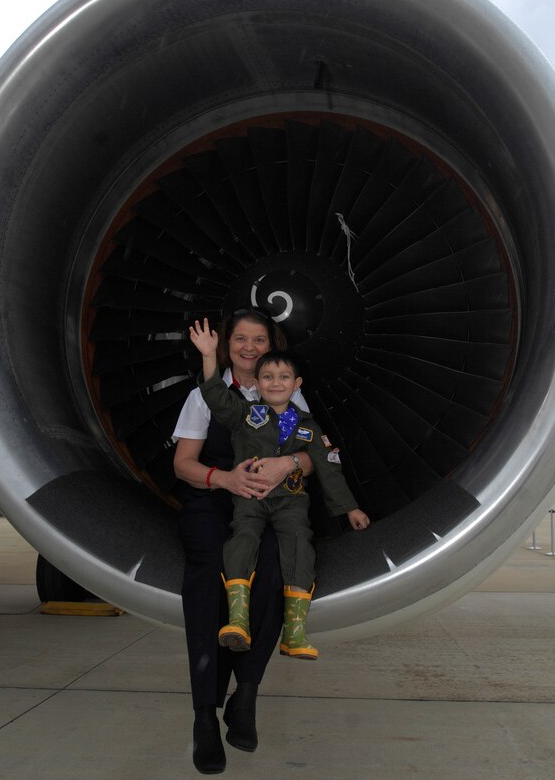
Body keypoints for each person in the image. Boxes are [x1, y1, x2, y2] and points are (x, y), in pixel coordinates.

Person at [173, 308, 314, 774]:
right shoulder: (205, 396)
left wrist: (288, 466)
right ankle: (204, 717)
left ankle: (246, 694)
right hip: (214, 496)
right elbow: (184, 465)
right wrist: (225, 480)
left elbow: (313, 457)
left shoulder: (285, 391)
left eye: (259, 339)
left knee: (274, 568)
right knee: (210, 575)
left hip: (266, 503)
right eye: (240, 339)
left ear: (272, 343)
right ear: (227, 344)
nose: (250, 348)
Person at [189, 317, 370, 664]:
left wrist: (351, 510)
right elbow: (213, 394)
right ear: (256, 383)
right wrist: (209, 356)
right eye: (268, 377)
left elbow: (330, 470)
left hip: (290, 502)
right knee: (242, 540)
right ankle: (237, 621)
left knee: (300, 547)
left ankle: (295, 633)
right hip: (250, 498)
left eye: (284, 377)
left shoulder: (308, 427)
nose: (276, 383)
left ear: (296, 383)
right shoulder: (244, 414)